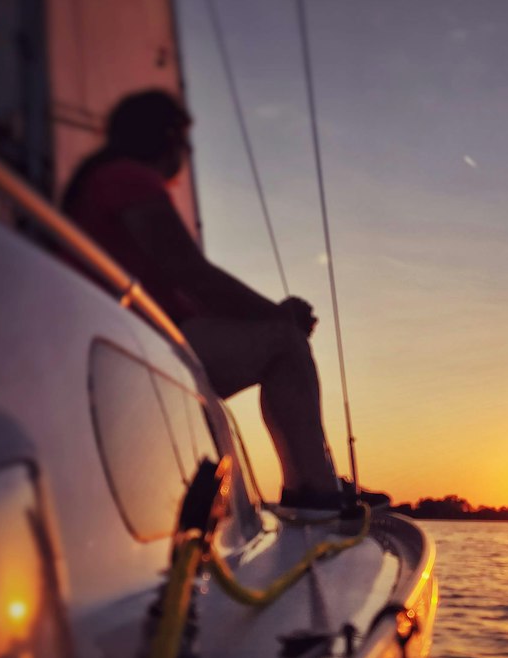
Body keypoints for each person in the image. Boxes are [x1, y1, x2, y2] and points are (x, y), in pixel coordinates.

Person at [63, 89, 383, 514]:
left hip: (134, 345)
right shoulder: (127, 177)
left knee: (281, 338)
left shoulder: (101, 180)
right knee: (285, 342)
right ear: (164, 137)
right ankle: (315, 491)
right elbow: (188, 270)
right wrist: (278, 314)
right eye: (183, 138)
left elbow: (184, 283)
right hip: (139, 351)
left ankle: (313, 488)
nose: (189, 150)